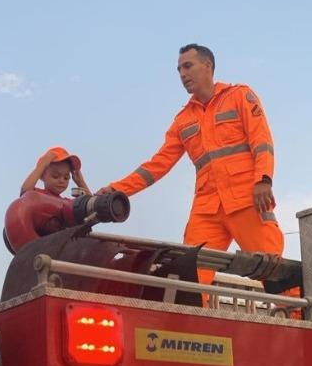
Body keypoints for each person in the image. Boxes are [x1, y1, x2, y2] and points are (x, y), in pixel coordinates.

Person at [97, 43, 284, 287]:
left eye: (187, 66)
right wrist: (116, 189)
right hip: (207, 209)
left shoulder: (239, 96)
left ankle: (298, 320)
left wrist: (264, 179)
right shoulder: (183, 120)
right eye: (178, 70)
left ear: (207, 66)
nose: (182, 74)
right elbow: (157, 165)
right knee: (189, 276)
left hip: (248, 198)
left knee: (273, 270)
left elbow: (262, 141)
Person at [20, 146, 91, 198]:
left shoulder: (66, 203)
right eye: (55, 176)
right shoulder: (38, 195)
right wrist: (42, 166)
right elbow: (25, 192)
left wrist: (81, 182)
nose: (61, 181)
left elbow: (93, 208)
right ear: (41, 176)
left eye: (66, 178)